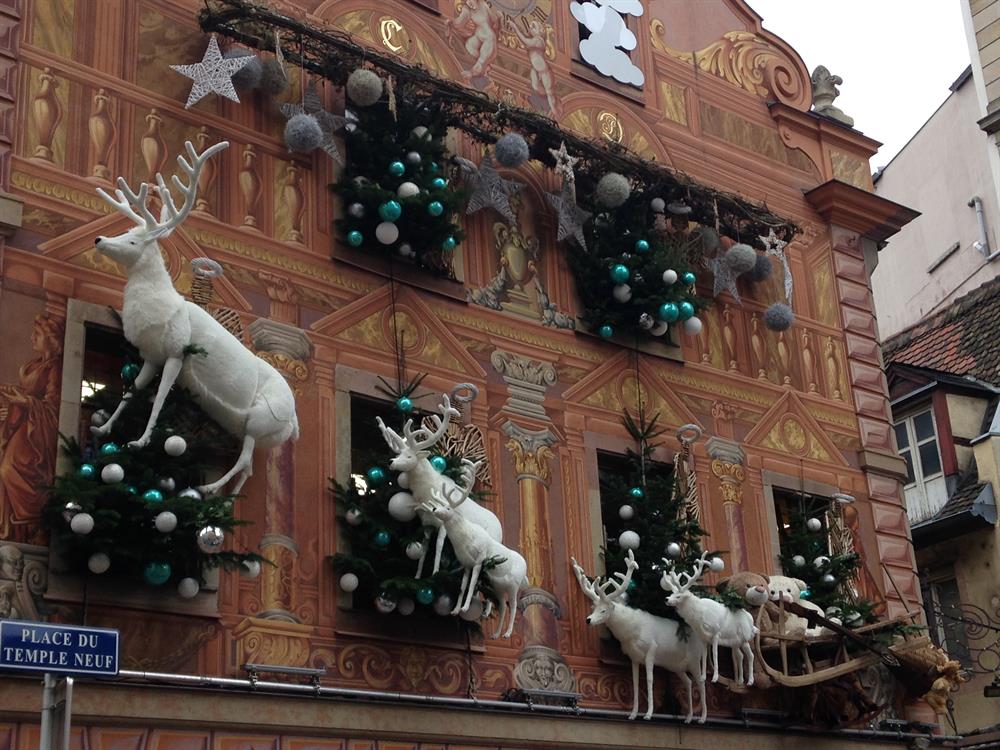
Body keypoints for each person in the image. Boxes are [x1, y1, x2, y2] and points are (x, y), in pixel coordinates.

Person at [0, 315, 63, 541]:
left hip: (36, 431)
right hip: (24, 425)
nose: (31, 338)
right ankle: (15, 530)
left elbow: (53, 406)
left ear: (50, 339)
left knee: (8, 469)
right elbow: (26, 392)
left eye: (37, 334)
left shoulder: (55, 368)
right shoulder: (32, 364)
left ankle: (32, 522)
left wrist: (24, 401)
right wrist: (12, 399)